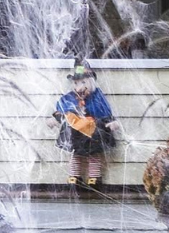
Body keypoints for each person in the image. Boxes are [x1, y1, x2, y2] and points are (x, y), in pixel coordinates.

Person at [49, 60, 122, 190]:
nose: (79, 87)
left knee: (94, 154)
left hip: (94, 130)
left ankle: (94, 178)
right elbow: (63, 111)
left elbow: (104, 110)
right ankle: (74, 177)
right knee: (75, 154)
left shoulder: (97, 97)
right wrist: (56, 119)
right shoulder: (69, 98)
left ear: (90, 82)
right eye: (76, 83)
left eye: (83, 82)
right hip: (75, 129)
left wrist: (111, 121)